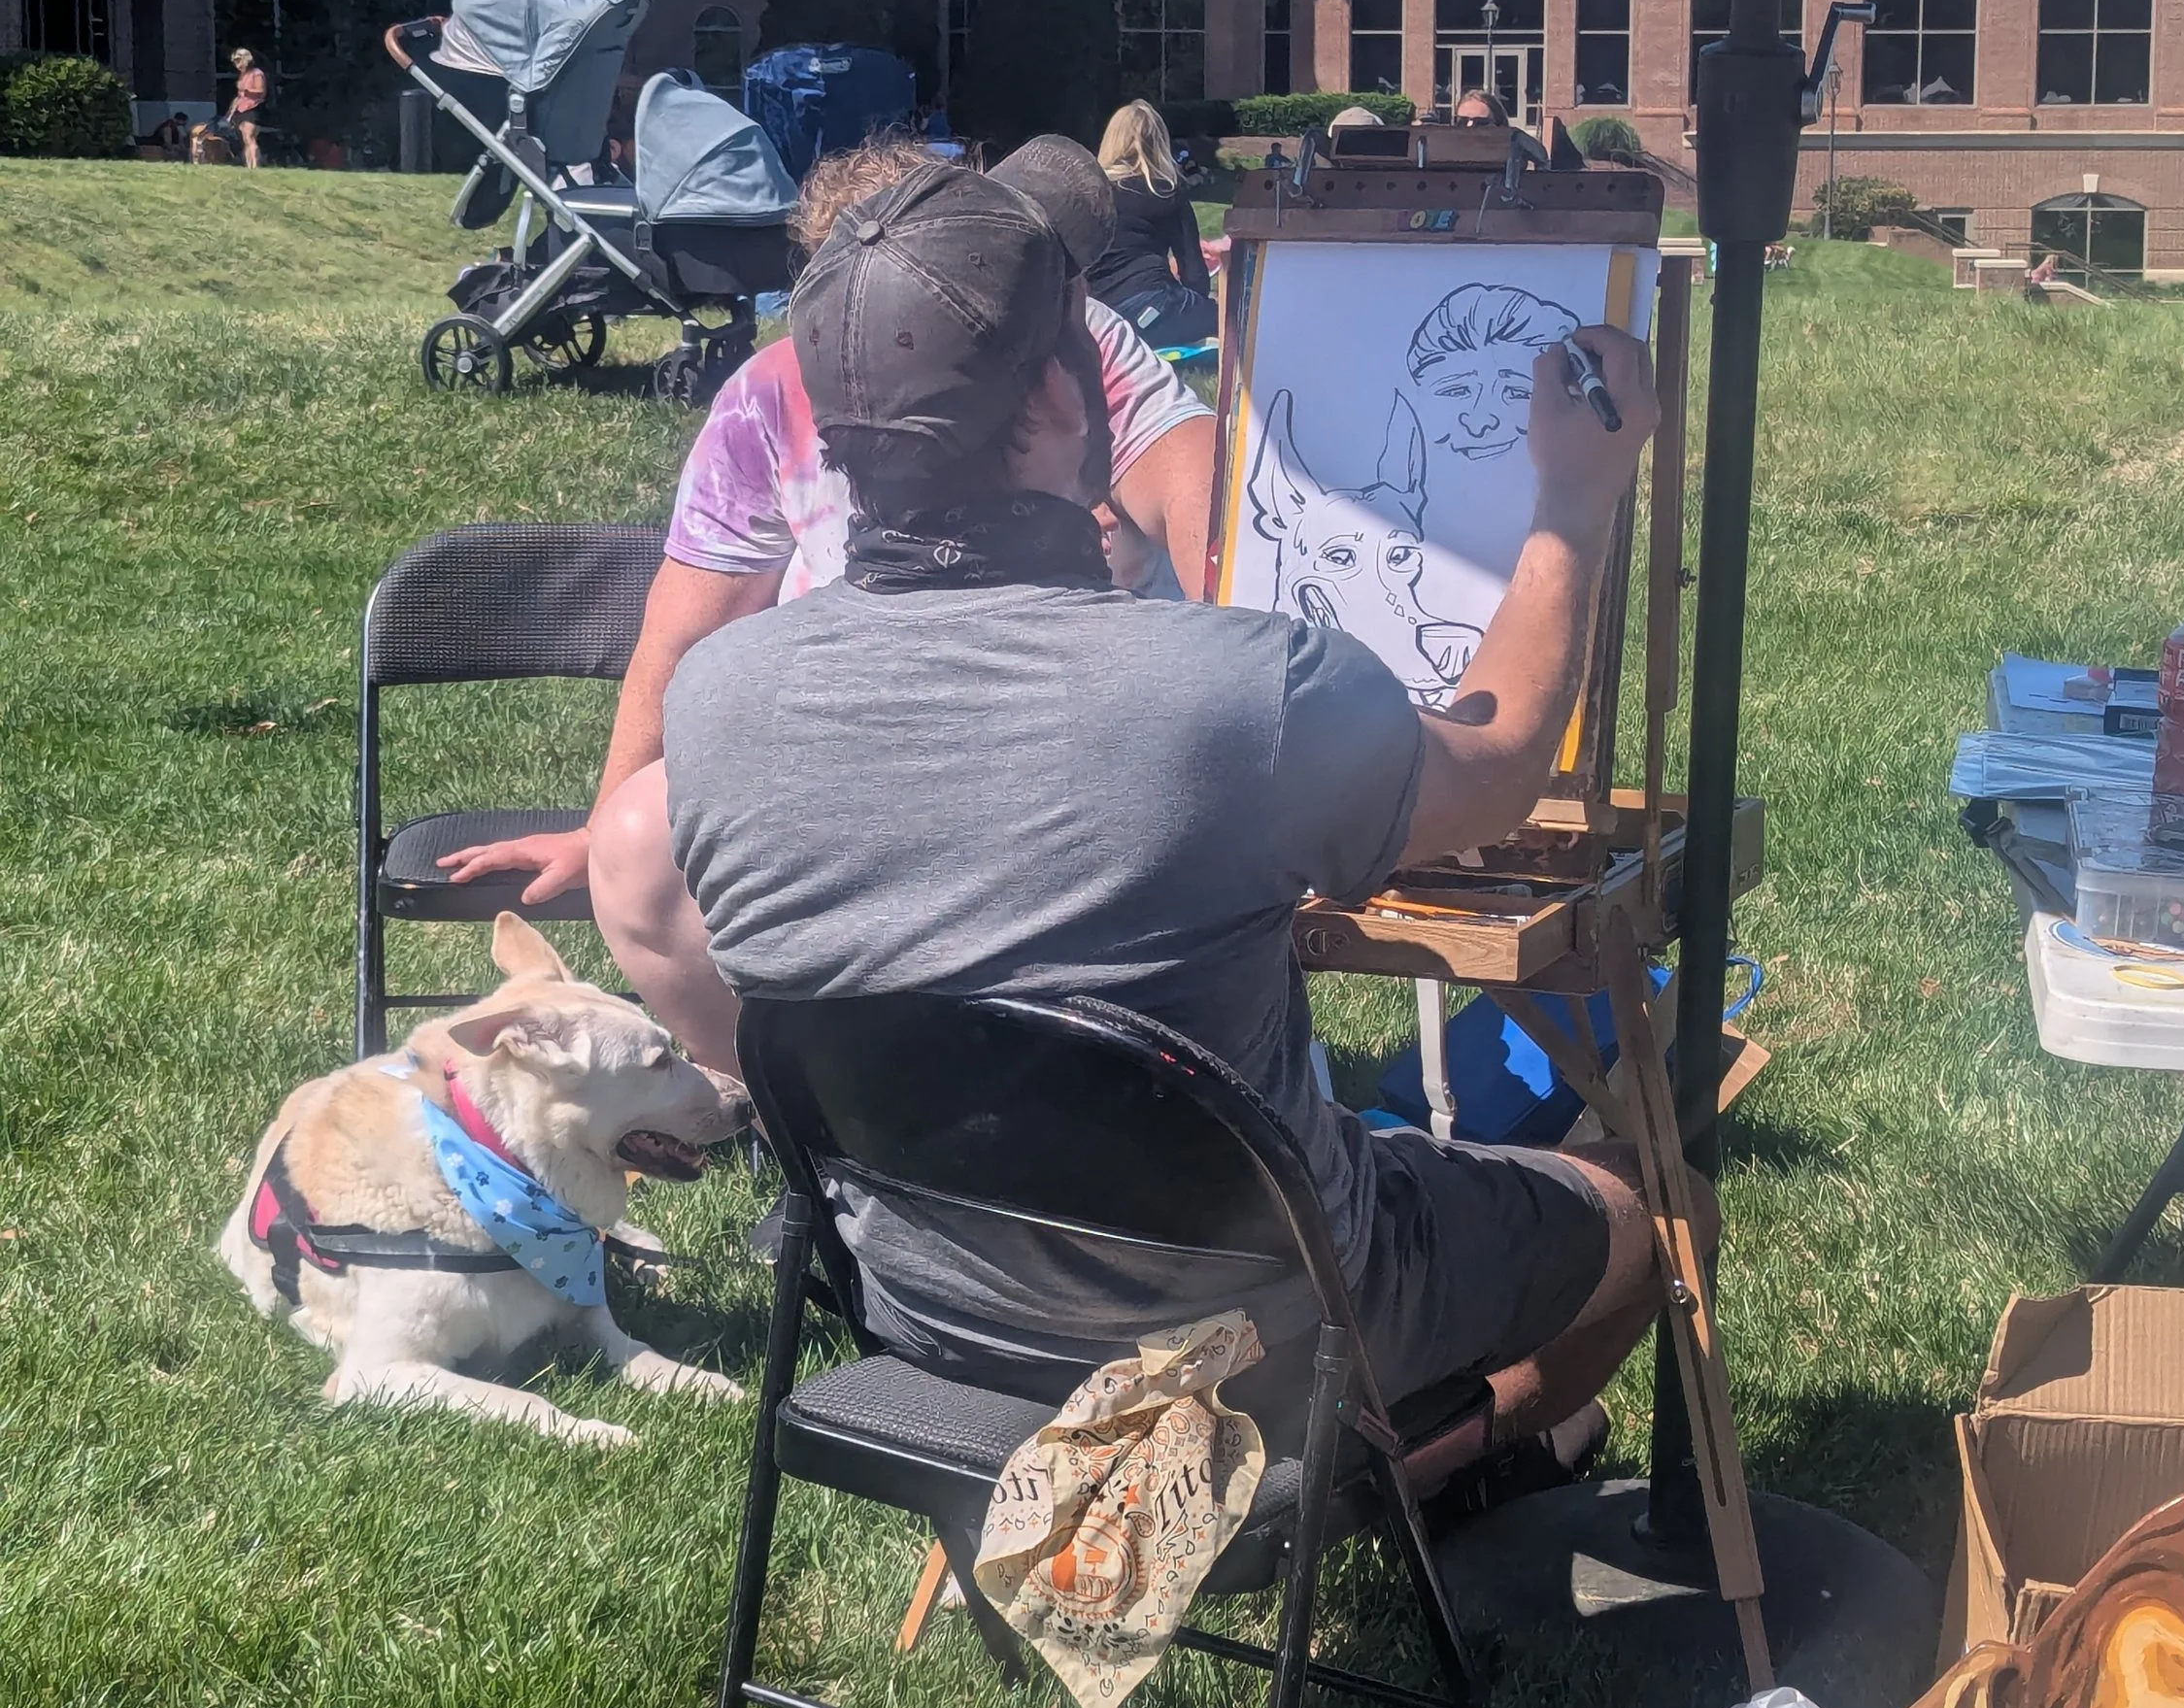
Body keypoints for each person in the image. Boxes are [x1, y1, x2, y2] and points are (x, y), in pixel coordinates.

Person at [631, 151, 1676, 1470]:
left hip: (927, 1315)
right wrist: (1573, 498)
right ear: (1056, 399)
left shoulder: (718, 701)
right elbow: (1505, 759)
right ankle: (1402, 1488)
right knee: (1651, 1208)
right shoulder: (1234, 692)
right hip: (1268, 1323)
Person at [437, 133, 1218, 918]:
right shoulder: (769, 395)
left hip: (1069, 736)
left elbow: (1202, 497)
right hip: (857, 743)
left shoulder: (1070, 341)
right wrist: (604, 828)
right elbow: (685, 626)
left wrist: (1237, 670)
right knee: (645, 852)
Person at [1089, 99, 1217, 350]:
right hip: (1152, 308)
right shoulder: (1165, 192)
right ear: (1160, 144)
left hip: (1097, 319)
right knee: (1228, 318)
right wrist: (1198, 302)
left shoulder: (1090, 196)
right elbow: (1194, 273)